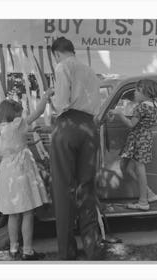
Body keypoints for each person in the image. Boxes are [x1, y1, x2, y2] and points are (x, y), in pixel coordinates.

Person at [49, 37, 104, 260]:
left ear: (56, 54)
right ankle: (93, 249)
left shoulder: (62, 66)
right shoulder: (90, 71)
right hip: (90, 127)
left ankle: (67, 252)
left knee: (63, 190)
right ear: (72, 50)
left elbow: (61, 102)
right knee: (87, 189)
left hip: (68, 125)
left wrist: (51, 100)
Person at [0, 90, 53, 260]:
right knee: (27, 212)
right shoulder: (18, 125)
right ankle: (27, 251)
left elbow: (7, 150)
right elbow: (38, 112)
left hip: (7, 174)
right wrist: (46, 96)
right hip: (22, 172)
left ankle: (13, 248)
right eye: (19, 112)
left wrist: (26, 142)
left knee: (12, 213)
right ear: (14, 114)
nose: (21, 115)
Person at [108, 79, 157, 211]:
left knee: (139, 168)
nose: (135, 93)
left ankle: (143, 202)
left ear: (145, 92)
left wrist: (120, 113)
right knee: (130, 169)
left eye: (138, 90)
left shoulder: (142, 106)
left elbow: (131, 124)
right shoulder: (155, 105)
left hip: (138, 138)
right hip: (146, 137)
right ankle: (150, 194)